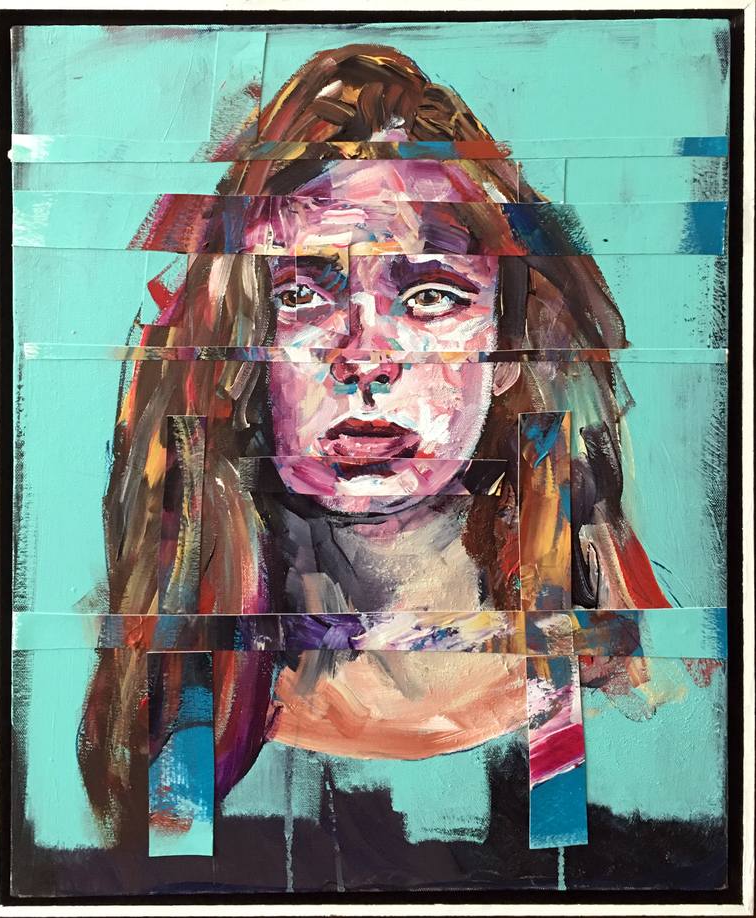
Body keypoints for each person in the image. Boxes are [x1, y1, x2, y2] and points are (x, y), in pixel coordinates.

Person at [72, 45, 712, 891]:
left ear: (510, 345)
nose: (364, 358)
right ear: (243, 349)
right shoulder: (169, 710)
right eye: (302, 295)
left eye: (430, 295)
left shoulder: (646, 706)